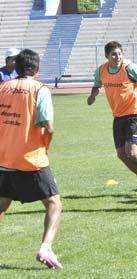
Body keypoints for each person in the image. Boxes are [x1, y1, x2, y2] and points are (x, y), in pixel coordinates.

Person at [0, 49, 63, 269]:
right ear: (36, 69)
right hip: (30, 158)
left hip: (4, 157)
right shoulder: (40, 89)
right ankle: (46, 247)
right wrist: (45, 147)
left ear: (16, 68)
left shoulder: (3, 87)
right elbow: (49, 126)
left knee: (2, 203)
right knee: (54, 203)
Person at [87, 41, 137, 197]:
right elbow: (97, 85)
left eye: (119, 53)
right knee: (121, 154)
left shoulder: (129, 68)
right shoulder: (101, 71)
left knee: (132, 152)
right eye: (114, 54)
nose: (117, 57)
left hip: (136, 114)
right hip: (118, 116)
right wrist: (92, 95)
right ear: (106, 56)